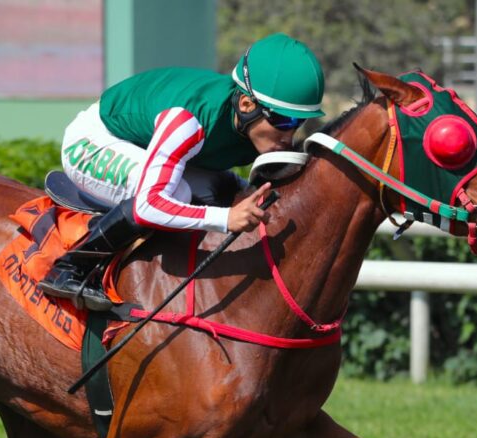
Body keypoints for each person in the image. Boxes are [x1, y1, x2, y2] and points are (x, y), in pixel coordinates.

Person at [38, 32, 325, 311]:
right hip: (93, 142)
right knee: (178, 194)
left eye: (299, 121)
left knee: (226, 186)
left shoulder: (252, 123)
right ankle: (70, 268)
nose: (290, 133)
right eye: (284, 120)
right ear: (247, 105)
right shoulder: (188, 122)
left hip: (150, 142)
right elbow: (150, 205)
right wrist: (226, 218)